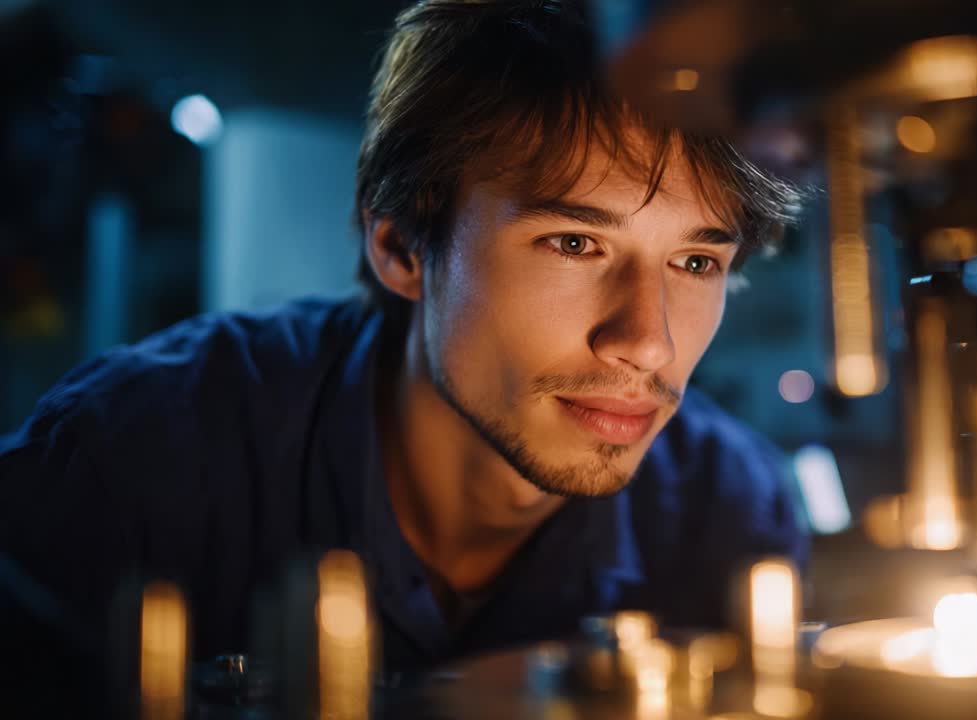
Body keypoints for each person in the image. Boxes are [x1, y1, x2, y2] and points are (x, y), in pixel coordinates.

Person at [0, 0, 808, 691]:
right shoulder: (129, 460)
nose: (647, 343)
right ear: (402, 248)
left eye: (696, 261)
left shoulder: (729, 514)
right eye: (574, 244)